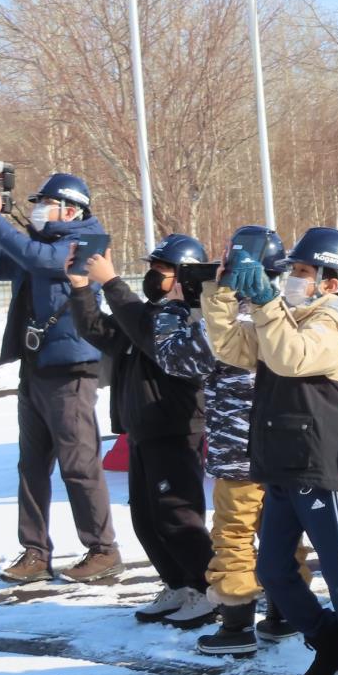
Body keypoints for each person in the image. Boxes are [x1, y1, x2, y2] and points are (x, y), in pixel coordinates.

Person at [206, 227, 338, 675]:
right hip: (279, 464)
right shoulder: (288, 317)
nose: (292, 278)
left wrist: (268, 302)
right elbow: (231, 347)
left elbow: (292, 358)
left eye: (302, 271)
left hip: (316, 463)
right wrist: (223, 289)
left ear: (332, 281)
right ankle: (329, 639)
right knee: (273, 571)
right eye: (291, 269)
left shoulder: (333, 324)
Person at [0, 172, 121, 584]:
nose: (38, 207)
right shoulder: (38, 245)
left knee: (79, 464)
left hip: (72, 370)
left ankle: (103, 549)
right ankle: (35, 551)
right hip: (35, 367)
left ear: (70, 208)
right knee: (31, 466)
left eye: (45, 201)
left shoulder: (88, 240)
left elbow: (40, 261)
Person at [68, 235, 216, 627]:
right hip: (142, 429)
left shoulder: (190, 316)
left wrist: (112, 283)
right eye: (152, 268)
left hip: (175, 428)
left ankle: (208, 588)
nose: (153, 276)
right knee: (147, 519)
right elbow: (101, 331)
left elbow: (152, 339)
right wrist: (82, 288)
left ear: (184, 276)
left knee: (178, 515)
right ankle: (179, 584)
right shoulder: (148, 314)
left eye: (162, 270)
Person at [195, 227, 308, 656]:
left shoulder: (227, 322)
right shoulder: (286, 314)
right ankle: (286, 612)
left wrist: (216, 292)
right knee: (283, 534)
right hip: (277, 452)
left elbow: (193, 356)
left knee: (234, 536)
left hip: (237, 457)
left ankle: (237, 622)